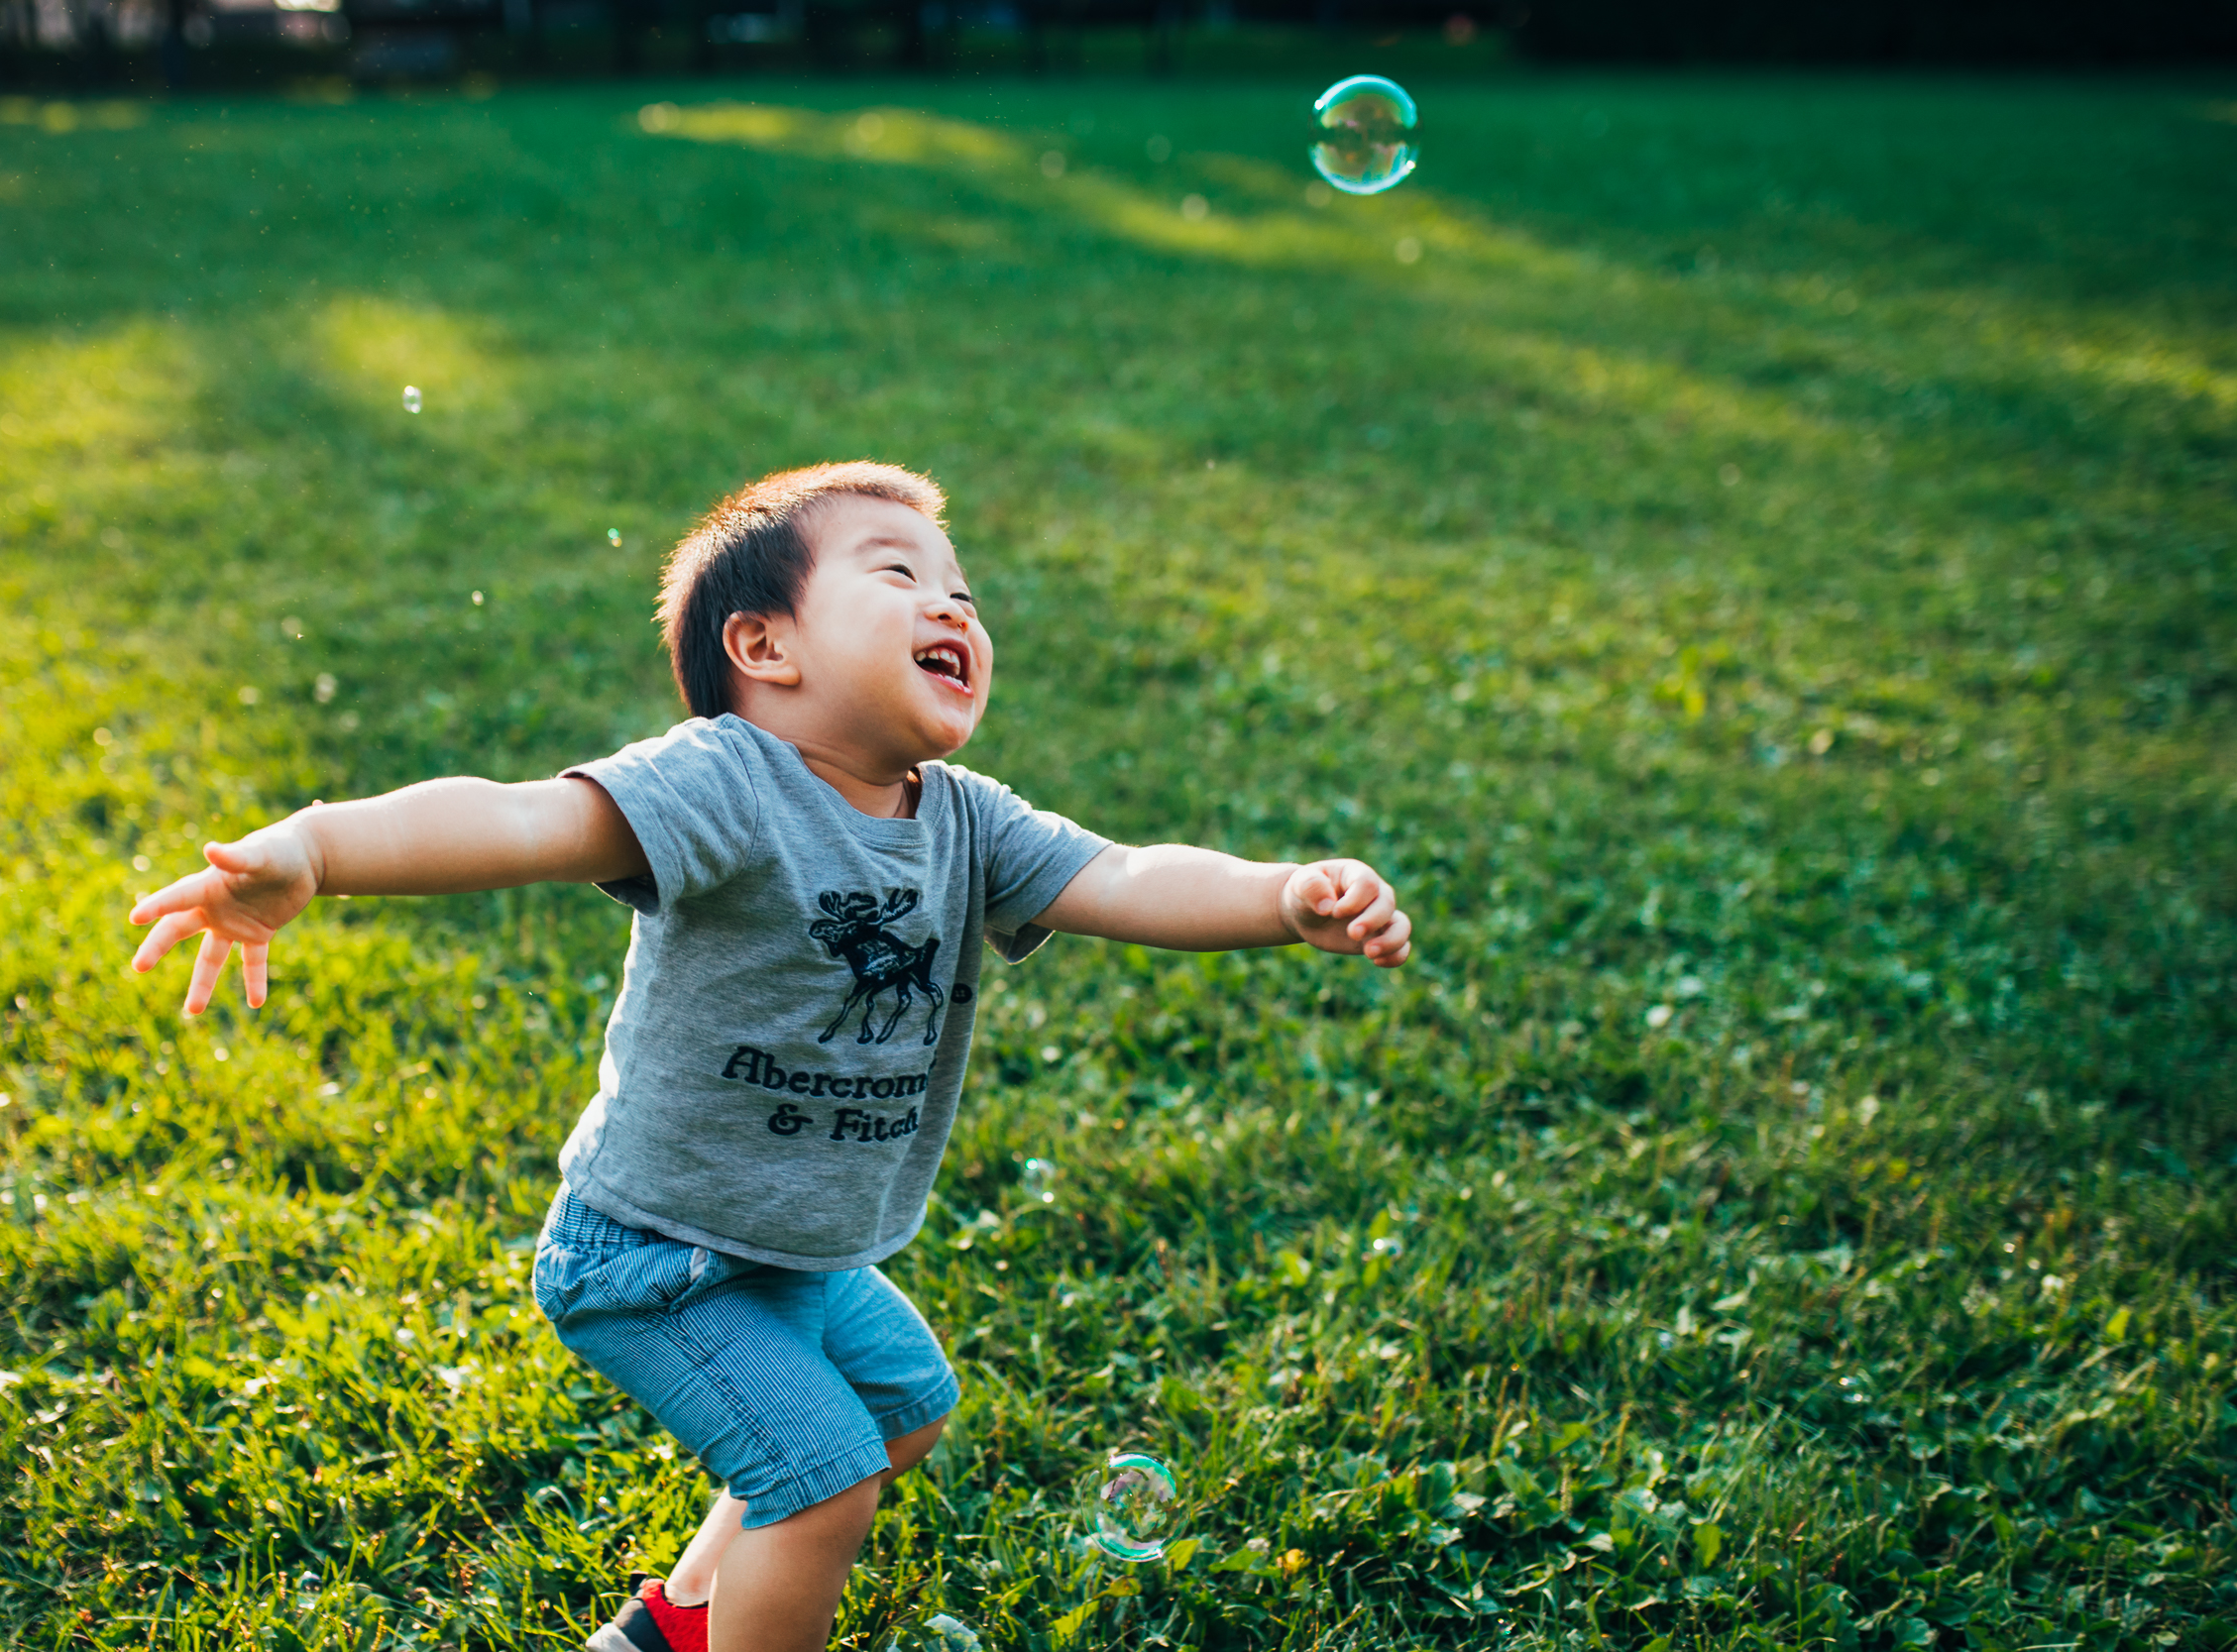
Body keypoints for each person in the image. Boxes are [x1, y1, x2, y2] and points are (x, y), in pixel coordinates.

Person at [126, 461, 1411, 1652]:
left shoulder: (970, 819)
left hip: (794, 1247)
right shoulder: (725, 783)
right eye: (898, 575)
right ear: (764, 646)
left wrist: (1284, 896)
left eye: (960, 589)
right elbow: (521, 817)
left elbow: (1128, 875)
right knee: (821, 1485)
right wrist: (316, 848)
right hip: (660, 1256)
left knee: (906, 1410)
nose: (950, 602)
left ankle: (669, 1629)